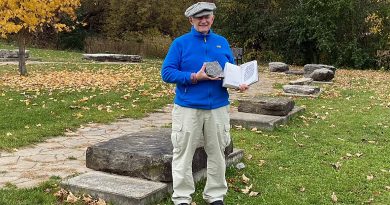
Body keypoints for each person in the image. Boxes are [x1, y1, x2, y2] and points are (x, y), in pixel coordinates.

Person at [161, 2, 248, 205]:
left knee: (218, 152)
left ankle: (215, 195)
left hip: (218, 107)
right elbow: (167, 72)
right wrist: (194, 76)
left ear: (212, 18)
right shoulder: (180, 43)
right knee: (183, 152)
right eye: (198, 17)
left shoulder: (222, 42)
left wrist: (238, 84)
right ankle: (182, 197)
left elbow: (228, 72)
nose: (203, 20)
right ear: (191, 20)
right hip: (188, 108)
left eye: (207, 16)